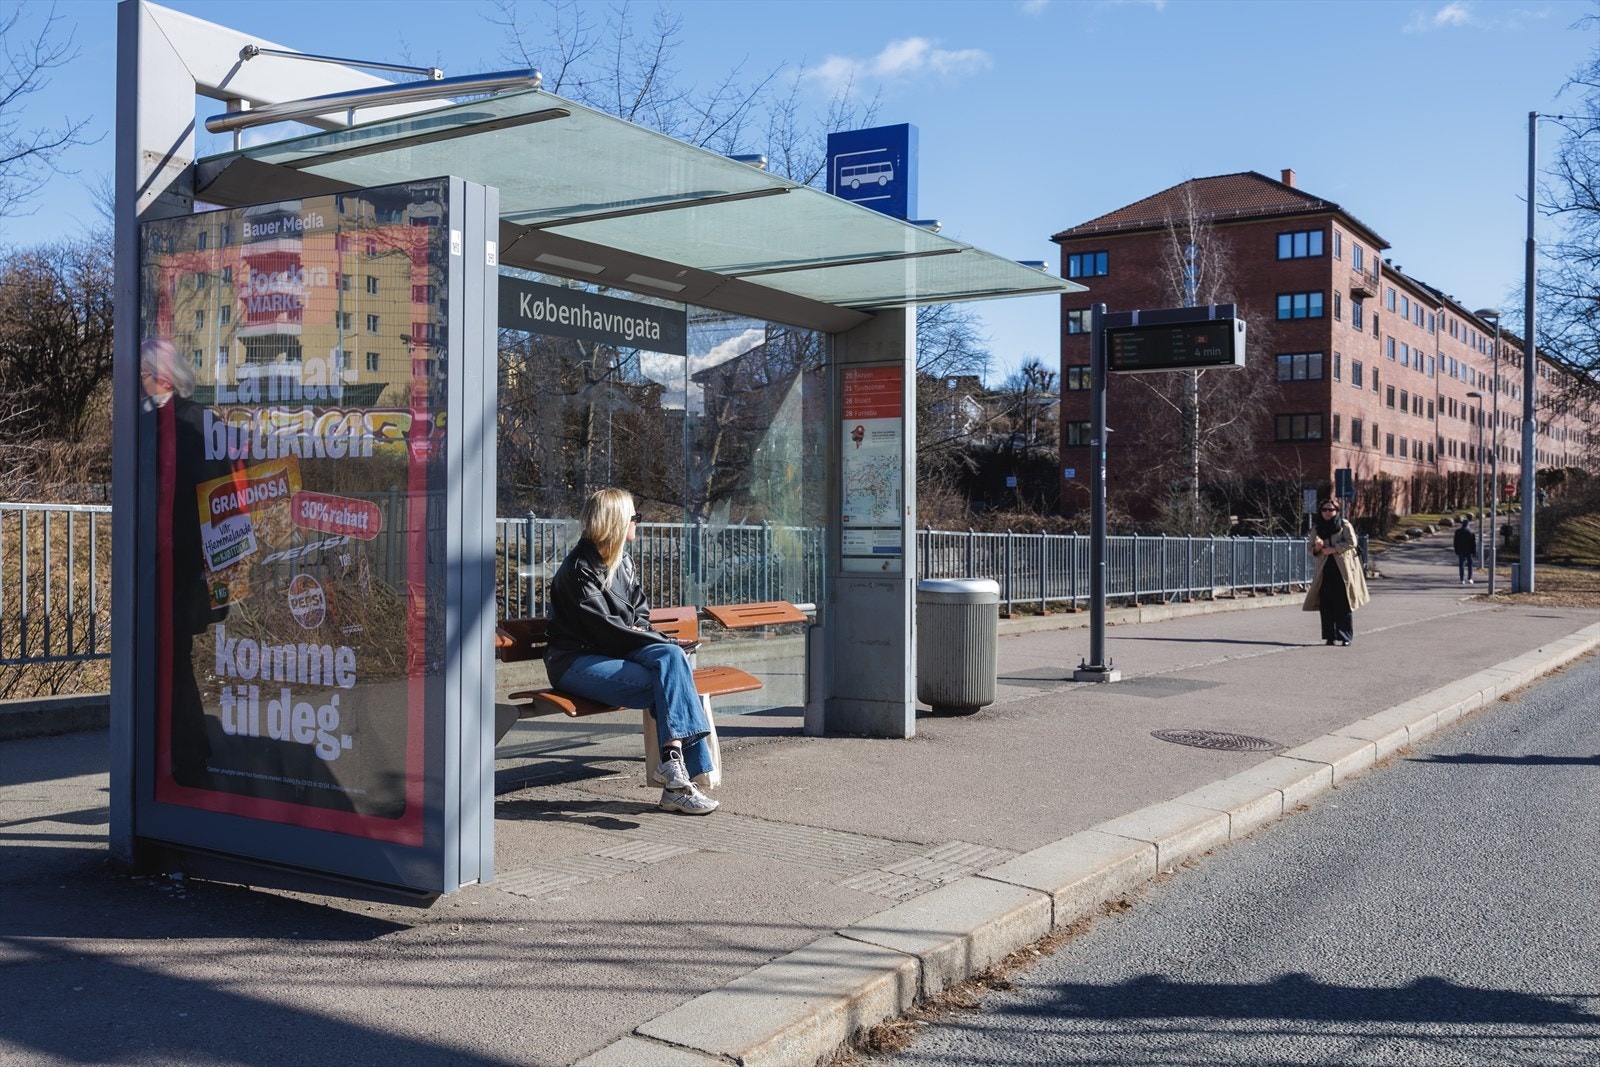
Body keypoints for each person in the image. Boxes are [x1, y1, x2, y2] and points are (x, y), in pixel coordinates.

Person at [545, 488, 719, 815]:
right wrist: (650, 637)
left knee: (672, 664)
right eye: (634, 517)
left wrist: (643, 633)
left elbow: (640, 612)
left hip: (617, 649)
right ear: (615, 522)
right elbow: (603, 629)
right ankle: (678, 781)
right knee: (673, 682)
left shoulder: (622, 560)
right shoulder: (579, 568)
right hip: (575, 661)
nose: (637, 522)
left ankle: (674, 769)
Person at [143, 338, 225, 787]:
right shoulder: (170, 421)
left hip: (179, 565)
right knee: (171, 660)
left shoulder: (185, 424)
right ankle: (183, 754)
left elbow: (210, 498)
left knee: (172, 660)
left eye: (142, 375)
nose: (138, 384)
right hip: (171, 564)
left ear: (162, 377)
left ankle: (187, 757)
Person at [1303, 498, 1369, 646]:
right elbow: (1310, 549)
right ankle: (1330, 636)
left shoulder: (1344, 525)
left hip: (1343, 569)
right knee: (1326, 604)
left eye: (1331, 510)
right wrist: (1318, 548)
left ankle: (1345, 637)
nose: (1327, 512)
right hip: (1324, 569)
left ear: (1337, 511)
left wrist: (1334, 549)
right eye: (1324, 510)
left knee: (1343, 603)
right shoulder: (1317, 528)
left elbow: (1352, 542)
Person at [1453, 517, 1477, 585]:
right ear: (1468, 524)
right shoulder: (1471, 531)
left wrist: (1456, 550)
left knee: (1461, 565)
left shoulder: (1458, 531)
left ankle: (1462, 579)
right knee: (1470, 565)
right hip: (1469, 550)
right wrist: (1474, 551)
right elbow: (1473, 543)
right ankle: (1470, 578)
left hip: (1461, 550)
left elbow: (1455, 542)